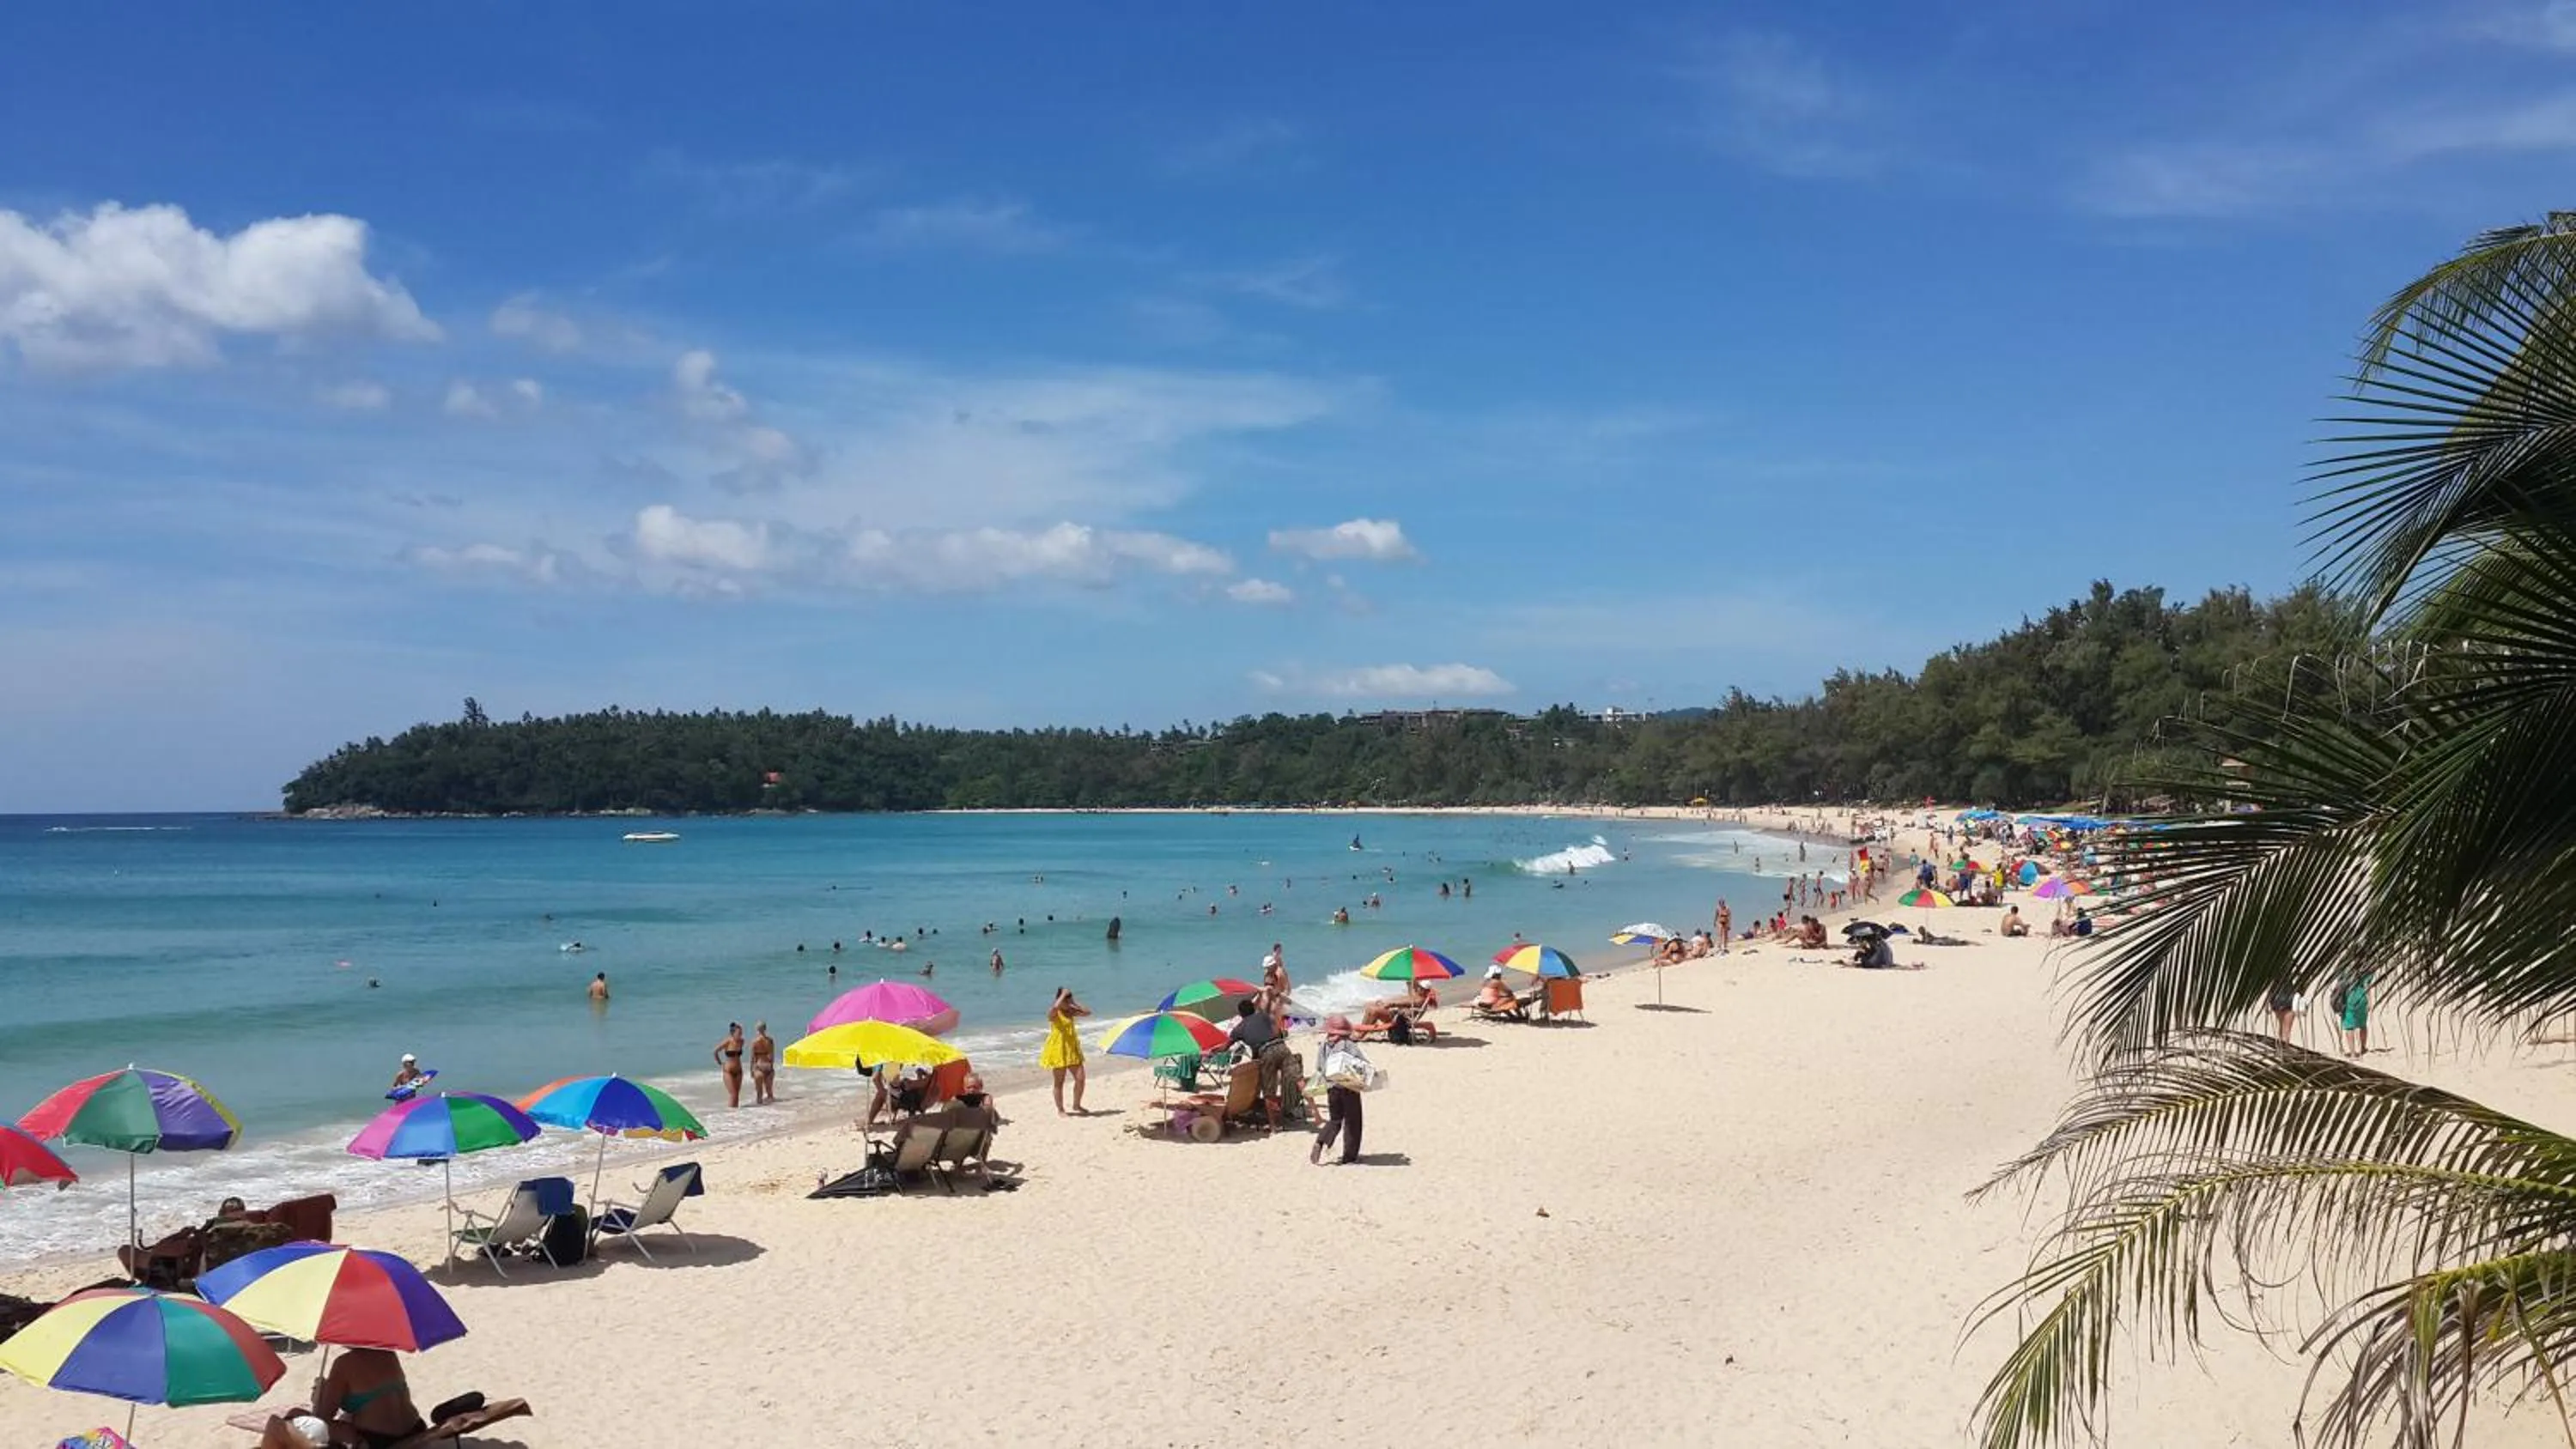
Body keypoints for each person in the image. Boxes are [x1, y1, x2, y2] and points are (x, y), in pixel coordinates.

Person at [1311, 1015, 1373, 1166]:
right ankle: (1350, 1157)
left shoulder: (1324, 1045)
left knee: (1335, 1120)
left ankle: (1320, 1141)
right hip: (1348, 1087)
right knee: (1353, 1122)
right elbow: (1362, 1064)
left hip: (1332, 1088)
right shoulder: (1348, 1045)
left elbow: (1319, 1067)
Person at [1227, 997, 1291, 1126]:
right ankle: (1284, 1109)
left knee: (1268, 1090)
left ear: (1240, 1014)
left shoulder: (1239, 1029)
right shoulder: (1263, 1017)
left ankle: (1273, 1125)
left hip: (1265, 1057)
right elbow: (1276, 1030)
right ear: (1253, 1009)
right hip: (1281, 1047)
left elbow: (1225, 1046)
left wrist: (1211, 1051)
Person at [1041, 987, 1091, 1115]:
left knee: (1081, 1078)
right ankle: (1060, 1109)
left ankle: (1076, 1105)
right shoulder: (1055, 1013)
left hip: (1072, 1048)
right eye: (1065, 1001)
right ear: (1059, 1000)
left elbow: (1087, 1012)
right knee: (1059, 1082)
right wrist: (1062, 996)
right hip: (1058, 1049)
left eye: (1069, 1000)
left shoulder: (1071, 1011)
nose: (1067, 1004)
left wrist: (1074, 1003)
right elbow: (1053, 1009)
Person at [2337, 970, 2372, 1057]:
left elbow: (2339, 985)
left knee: (2349, 1027)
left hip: (2348, 999)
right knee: (2362, 1024)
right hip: (2362, 999)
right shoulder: (2365, 968)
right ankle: (2363, 1048)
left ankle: (2352, 1053)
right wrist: (2370, 1001)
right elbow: (2367, 985)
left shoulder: (2345, 968)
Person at [714, 1022, 745, 1108]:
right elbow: (715, 1051)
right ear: (733, 1033)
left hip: (739, 1070)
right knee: (733, 1094)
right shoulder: (728, 1041)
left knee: (737, 1094)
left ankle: (736, 1115)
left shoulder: (742, 1041)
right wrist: (720, 1063)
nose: (740, 1034)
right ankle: (730, 1115)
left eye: (741, 1032)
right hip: (728, 1071)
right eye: (739, 1033)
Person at [750, 1022, 776, 1105]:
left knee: (759, 1094)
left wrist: (751, 1070)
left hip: (759, 1066)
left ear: (757, 1029)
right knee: (770, 1092)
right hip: (768, 1066)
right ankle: (773, 1111)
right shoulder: (770, 1040)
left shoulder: (754, 1042)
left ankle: (760, 1112)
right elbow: (772, 1056)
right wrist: (771, 1067)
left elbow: (752, 1058)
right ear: (765, 1029)